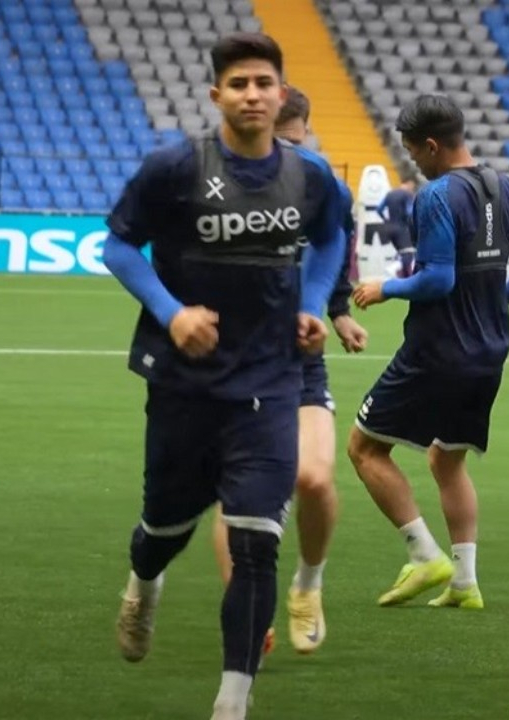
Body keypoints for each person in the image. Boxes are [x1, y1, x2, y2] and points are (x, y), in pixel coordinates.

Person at [103, 33, 348, 720]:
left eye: (263, 83)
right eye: (238, 84)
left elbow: (332, 236)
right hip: (185, 384)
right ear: (217, 95)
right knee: (165, 528)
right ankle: (143, 584)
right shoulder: (175, 167)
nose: (252, 95)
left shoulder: (311, 176)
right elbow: (118, 246)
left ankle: (232, 703)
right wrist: (172, 312)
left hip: (271, 383)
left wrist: (311, 304)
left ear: (280, 92)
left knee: (256, 546)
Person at [348, 94, 509, 610]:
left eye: (414, 150)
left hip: (438, 350)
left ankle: (424, 555)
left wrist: (385, 288)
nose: (413, 159)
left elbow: (438, 280)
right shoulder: (504, 187)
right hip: (489, 351)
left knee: (364, 449)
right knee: (447, 459)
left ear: (433, 145)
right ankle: (465, 583)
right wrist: (496, 303)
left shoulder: (436, 195)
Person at [207, 86, 368, 658]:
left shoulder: (317, 181)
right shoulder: (221, 179)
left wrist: (336, 310)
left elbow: (333, 243)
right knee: (237, 493)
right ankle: (247, 606)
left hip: (299, 357)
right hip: (233, 359)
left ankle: (307, 585)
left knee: (315, 480)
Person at [379, 178, 418, 276]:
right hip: (401, 228)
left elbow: (379, 209)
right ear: (409, 184)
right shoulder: (407, 194)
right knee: (409, 253)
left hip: (389, 228)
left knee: (402, 253)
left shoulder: (390, 194)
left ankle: (405, 278)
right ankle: (391, 269)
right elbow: (409, 212)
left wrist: (385, 219)